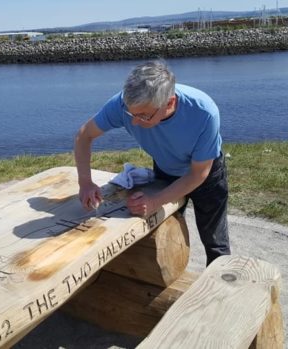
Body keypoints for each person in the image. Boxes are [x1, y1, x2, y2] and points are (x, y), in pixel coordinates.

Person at [74, 60, 230, 265]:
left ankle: (220, 289)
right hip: (165, 169)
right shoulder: (122, 105)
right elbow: (84, 136)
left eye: (144, 116)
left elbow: (198, 174)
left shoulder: (203, 112)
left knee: (215, 241)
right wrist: (85, 182)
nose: (134, 122)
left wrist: (156, 200)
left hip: (207, 174)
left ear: (170, 103)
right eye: (131, 114)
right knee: (162, 232)